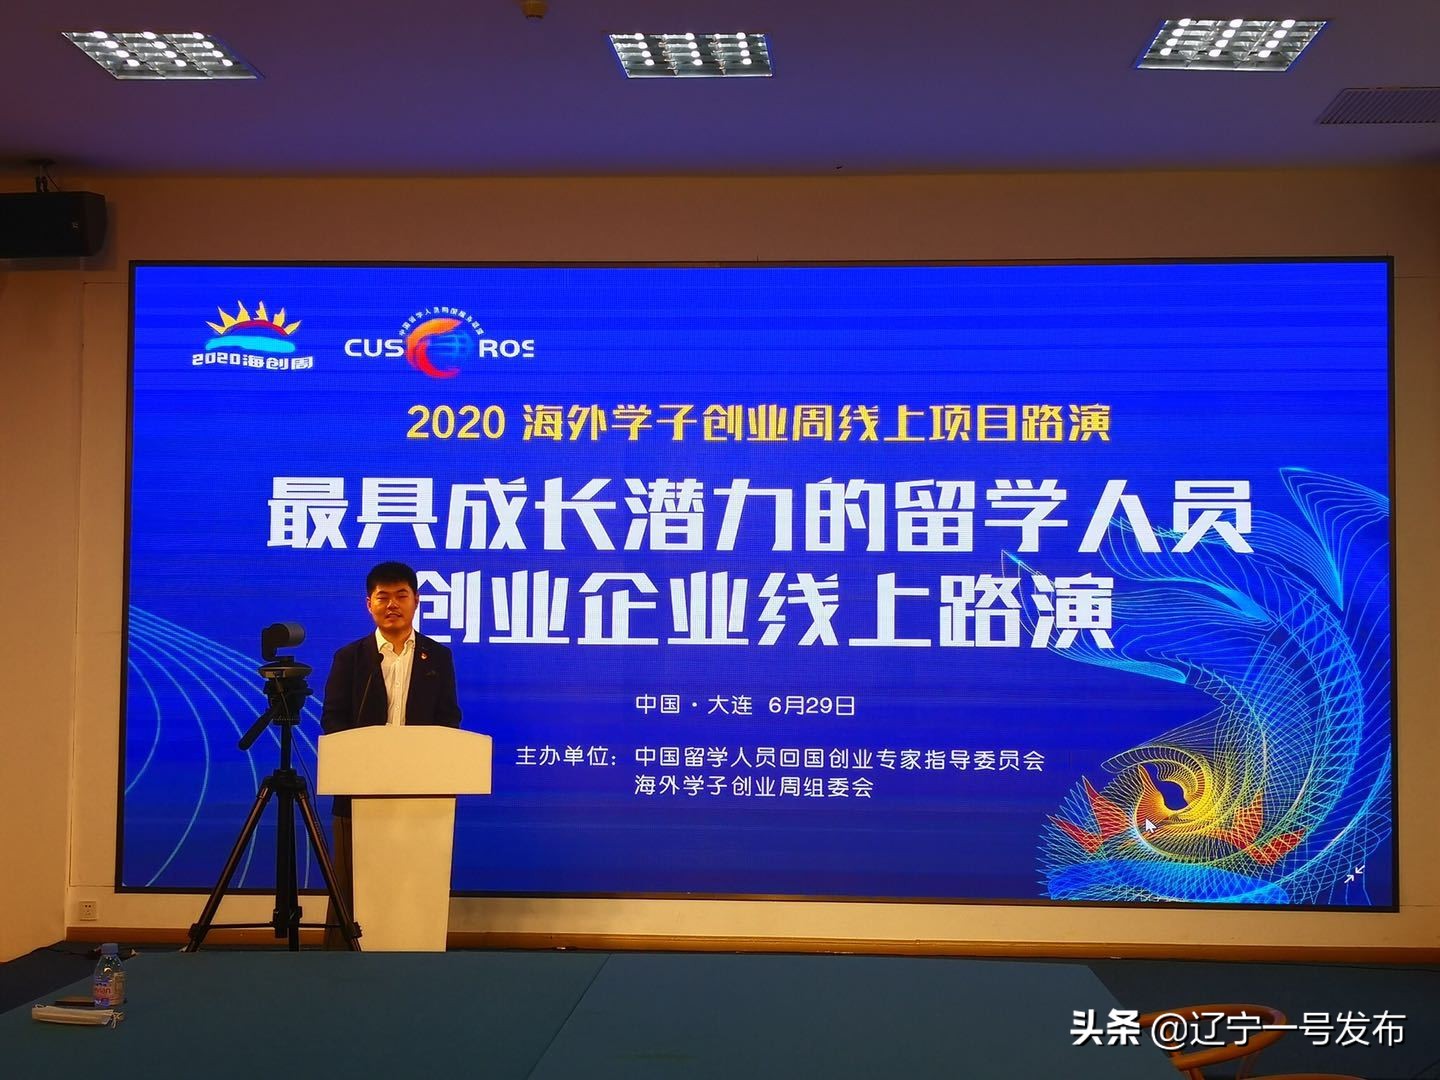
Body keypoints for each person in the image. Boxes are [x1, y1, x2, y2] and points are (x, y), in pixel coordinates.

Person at [320, 560, 462, 947]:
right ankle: (341, 957)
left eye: (401, 595)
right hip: (359, 789)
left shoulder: (438, 657)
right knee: (352, 881)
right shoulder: (350, 658)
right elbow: (333, 719)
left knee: (415, 878)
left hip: (421, 791)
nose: (392, 604)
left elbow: (449, 718)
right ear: (369, 604)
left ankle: (415, 949)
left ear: (416, 601)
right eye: (383, 597)